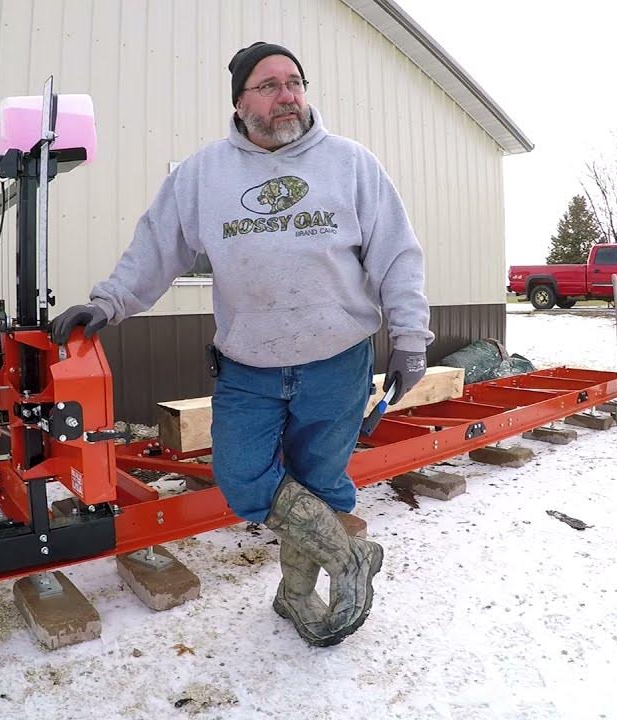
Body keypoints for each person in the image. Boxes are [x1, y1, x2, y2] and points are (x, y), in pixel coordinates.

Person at [51, 42, 432, 646]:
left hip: (337, 361)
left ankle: (296, 594)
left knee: (320, 482)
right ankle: (351, 560)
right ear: (239, 101)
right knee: (244, 479)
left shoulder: (351, 165)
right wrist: (107, 303)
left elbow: (397, 256)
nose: (287, 96)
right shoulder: (203, 175)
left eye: (295, 82)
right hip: (249, 365)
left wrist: (410, 338)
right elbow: (155, 249)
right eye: (269, 85)